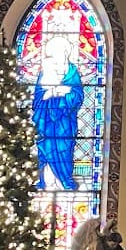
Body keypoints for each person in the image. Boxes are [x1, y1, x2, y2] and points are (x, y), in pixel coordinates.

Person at [32, 35, 83, 191]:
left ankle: (64, 180)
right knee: (46, 148)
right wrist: (53, 92)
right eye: (54, 52)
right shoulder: (45, 72)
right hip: (46, 120)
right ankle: (46, 181)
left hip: (65, 122)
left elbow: (78, 95)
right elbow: (37, 99)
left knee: (64, 148)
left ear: (66, 52)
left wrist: (66, 94)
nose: (58, 54)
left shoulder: (72, 72)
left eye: (61, 51)